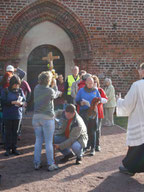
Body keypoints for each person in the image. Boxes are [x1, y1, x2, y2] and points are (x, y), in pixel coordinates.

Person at [117, 62, 144, 176]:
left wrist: (119, 100)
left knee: (137, 148)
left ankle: (130, 168)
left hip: (140, 121)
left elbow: (128, 105)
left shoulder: (137, 85)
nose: (138, 71)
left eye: (139, 69)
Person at [32, 71, 59, 171]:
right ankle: (51, 164)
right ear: (49, 80)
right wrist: (55, 85)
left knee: (38, 140)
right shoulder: (50, 90)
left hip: (36, 117)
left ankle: (36, 163)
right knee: (48, 142)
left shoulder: (36, 88)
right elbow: (55, 95)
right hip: (47, 118)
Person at [75, 76, 101, 155]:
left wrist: (96, 104)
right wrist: (81, 103)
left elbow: (99, 100)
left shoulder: (95, 90)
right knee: (84, 130)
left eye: (92, 83)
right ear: (86, 83)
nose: (90, 85)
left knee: (92, 130)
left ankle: (92, 148)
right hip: (84, 112)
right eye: (89, 83)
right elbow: (76, 100)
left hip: (93, 112)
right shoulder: (81, 90)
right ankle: (85, 147)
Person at [1, 75, 26, 156]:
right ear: (11, 83)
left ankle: (14, 148)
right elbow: (3, 102)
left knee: (15, 132)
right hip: (7, 115)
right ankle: (7, 149)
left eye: (18, 84)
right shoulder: (5, 91)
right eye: (15, 84)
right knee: (8, 132)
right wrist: (13, 102)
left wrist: (21, 103)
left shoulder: (20, 90)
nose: (16, 86)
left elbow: (24, 101)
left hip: (17, 115)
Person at [92, 75, 108, 152]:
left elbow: (106, 99)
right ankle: (91, 145)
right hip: (90, 113)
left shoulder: (100, 90)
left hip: (99, 112)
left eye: (95, 82)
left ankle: (97, 145)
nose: (94, 83)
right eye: (93, 81)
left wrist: (99, 99)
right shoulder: (88, 90)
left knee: (97, 129)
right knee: (91, 129)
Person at [17, 71, 31, 139]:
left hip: (22, 103)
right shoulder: (16, 82)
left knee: (20, 118)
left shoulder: (24, 83)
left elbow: (29, 91)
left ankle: (18, 133)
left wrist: (26, 101)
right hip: (15, 102)